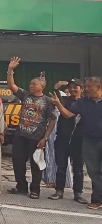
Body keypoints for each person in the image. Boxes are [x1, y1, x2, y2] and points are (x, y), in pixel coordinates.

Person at [6, 57, 56, 199]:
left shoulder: (47, 101)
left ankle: (35, 190)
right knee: (17, 161)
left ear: (42, 86)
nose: (31, 86)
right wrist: (10, 70)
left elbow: (52, 120)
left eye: (34, 84)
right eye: (30, 84)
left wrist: (45, 138)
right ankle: (21, 187)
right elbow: (11, 86)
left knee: (35, 164)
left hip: (36, 137)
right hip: (21, 135)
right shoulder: (25, 95)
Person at [51, 76, 102, 210]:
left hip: (89, 140)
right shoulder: (83, 102)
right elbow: (68, 114)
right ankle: (97, 200)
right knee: (93, 171)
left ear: (99, 87)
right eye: (85, 87)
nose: (86, 89)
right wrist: (58, 104)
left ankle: (84, 194)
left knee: (85, 170)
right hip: (89, 141)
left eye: (88, 87)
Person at [48, 79, 86, 203]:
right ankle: (59, 191)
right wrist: (56, 86)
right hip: (62, 140)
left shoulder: (85, 103)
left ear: (82, 89)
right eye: (70, 87)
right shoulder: (64, 100)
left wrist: (59, 105)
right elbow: (55, 96)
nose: (73, 89)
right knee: (61, 167)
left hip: (79, 142)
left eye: (76, 87)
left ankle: (78, 193)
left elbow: (67, 115)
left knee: (78, 169)